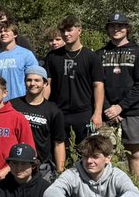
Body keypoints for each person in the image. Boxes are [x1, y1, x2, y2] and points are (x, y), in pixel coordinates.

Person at [44, 16, 106, 153]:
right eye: (63, 31)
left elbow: (98, 86)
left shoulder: (91, 57)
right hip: (59, 111)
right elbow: (47, 84)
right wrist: (42, 108)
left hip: (83, 112)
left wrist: (97, 113)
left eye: (69, 30)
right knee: (59, 150)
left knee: (85, 152)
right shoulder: (52, 57)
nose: (66, 34)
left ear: (79, 30)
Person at [101, 12, 139, 179]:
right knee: (102, 155)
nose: (116, 29)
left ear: (127, 29)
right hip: (105, 113)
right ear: (108, 29)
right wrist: (108, 107)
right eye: (113, 26)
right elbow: (96, 84)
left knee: (134, 154)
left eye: (120, 26)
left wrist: (121, 107)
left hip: (133, 111)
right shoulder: (99, 54)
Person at [10, 66, 67, 181]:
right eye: (29, 80)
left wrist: (60, 172)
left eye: (37, 80)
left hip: (42, 167)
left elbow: (59, 143)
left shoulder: (53, 111)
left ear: (45, 84)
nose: (32, 83)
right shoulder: (12, 105)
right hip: (16, 164)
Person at [0, 21, 39, 101]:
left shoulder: (26, 54)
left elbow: (35, 79)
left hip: (22, 102)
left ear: (15, 34)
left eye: (6, 31)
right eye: (0, 32)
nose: (3, 34)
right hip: (0, 103)